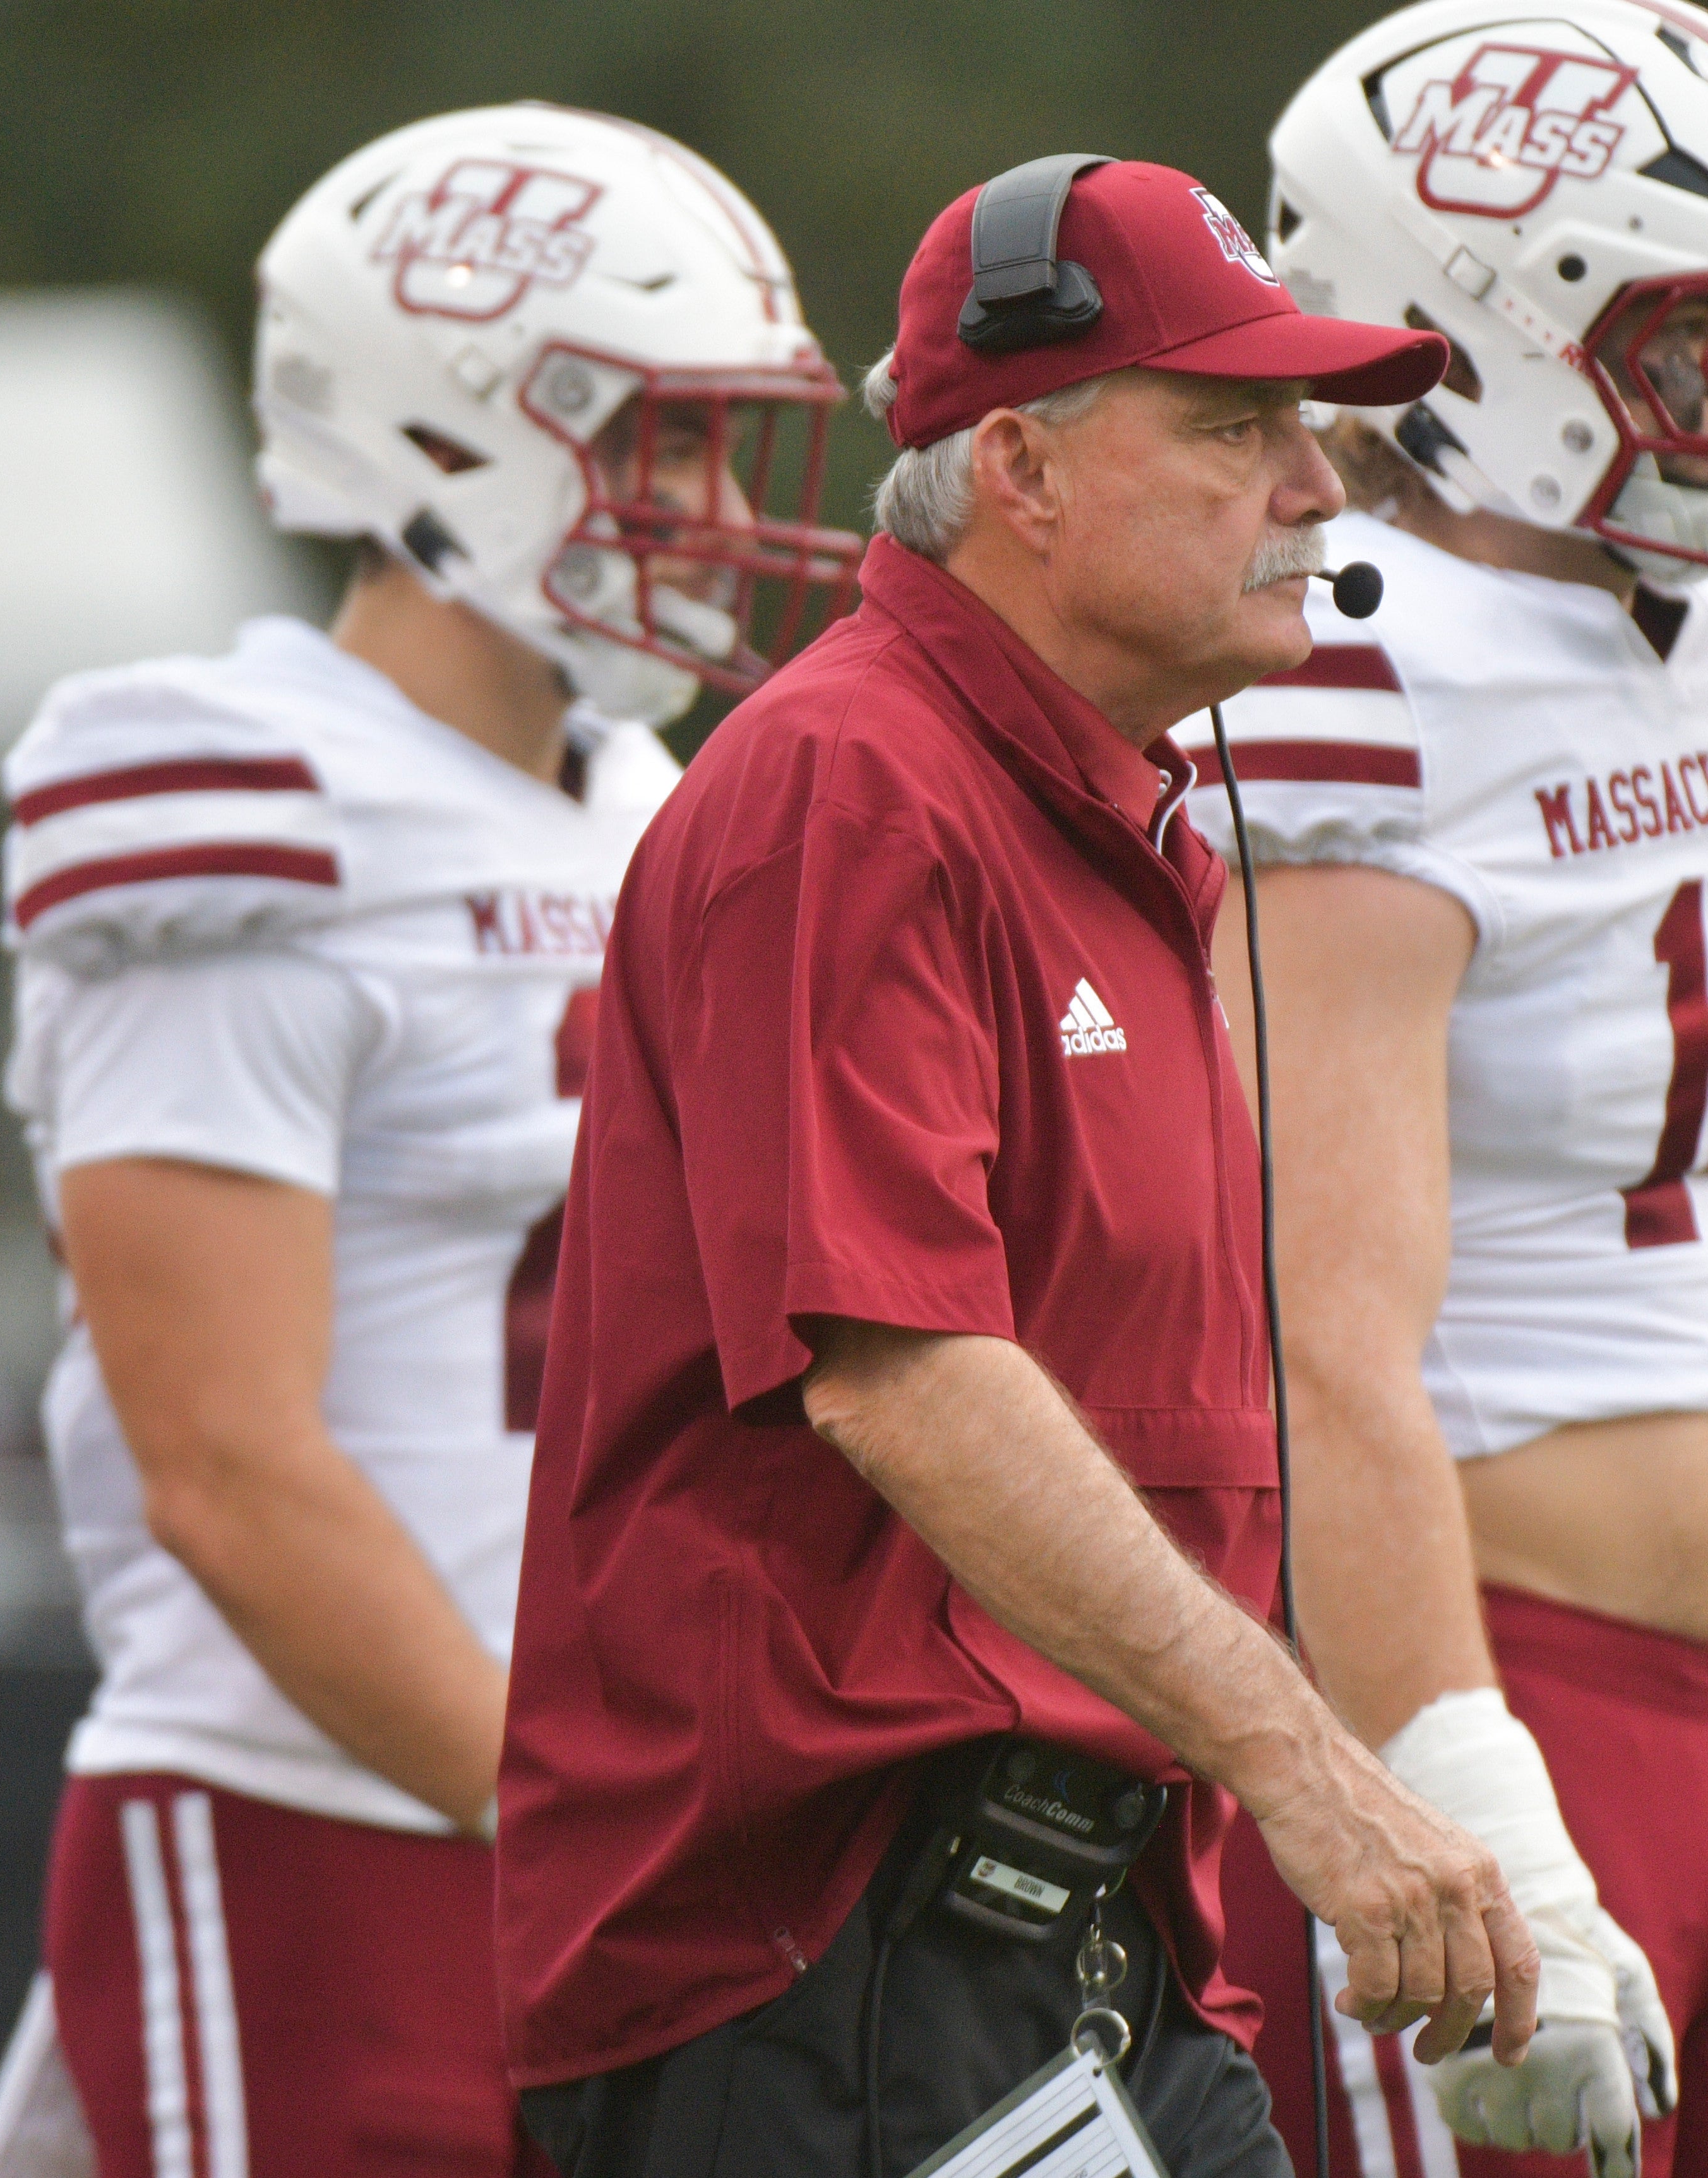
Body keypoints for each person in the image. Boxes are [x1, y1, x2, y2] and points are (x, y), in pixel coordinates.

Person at [496, 153, 1541, 2178]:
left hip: (1064, 1937)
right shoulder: (852, 784)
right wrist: (1312, 1771)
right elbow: (904, 1373)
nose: (1320, 491)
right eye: (1237, 429)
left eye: (1310, 434)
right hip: (826, 1956)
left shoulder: (1108, 810)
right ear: (1020, 473)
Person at [1191, 7, 1708, 2172]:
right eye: (1689, 327)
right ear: (1465, 339)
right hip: (1475, 1702)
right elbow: (1317, 1338)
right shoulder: (1348, 667)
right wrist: (1461, 1810)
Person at [0, 103, 857, 2178]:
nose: (716, 509)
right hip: (325, 1820)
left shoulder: (662, 801)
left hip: (634, 1847)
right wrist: (586, 1810)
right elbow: (221, 1459)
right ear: (444, 435)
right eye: (657, 442)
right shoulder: (234, 778)